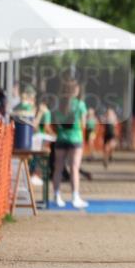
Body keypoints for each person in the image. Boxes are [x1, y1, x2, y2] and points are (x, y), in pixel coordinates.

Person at [52, 79, 89, 209]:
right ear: (75, 90)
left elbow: (54, 123)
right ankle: (75, 197)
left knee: (58, 168)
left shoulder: (57, 105)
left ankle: (56, 195)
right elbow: (84, 124)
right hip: (75, 139)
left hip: (61, 138)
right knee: (74, 168)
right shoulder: (80, 105)